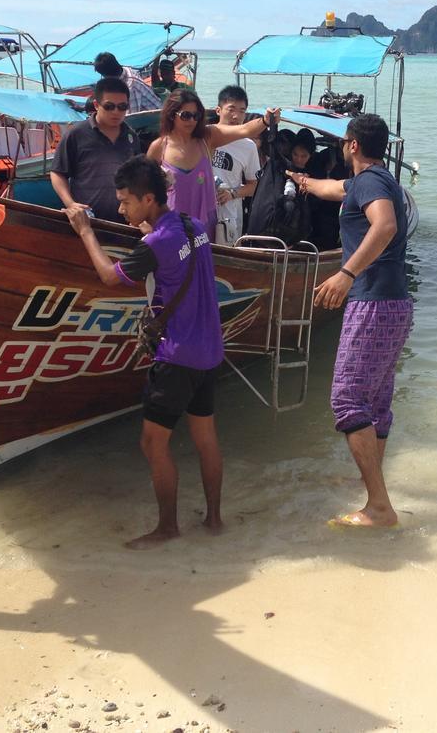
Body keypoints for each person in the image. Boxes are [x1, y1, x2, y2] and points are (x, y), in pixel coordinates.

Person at [65, 156, 225, 549]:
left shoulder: (155, 244)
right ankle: (215, 520)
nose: (120, 209)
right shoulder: (195, 226)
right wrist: (148, 230)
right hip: (209, 352)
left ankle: (168, 528)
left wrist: (86, 231)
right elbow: (174, 256)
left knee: (153, 443)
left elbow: (109, 276)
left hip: (176, 357)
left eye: (125, 201)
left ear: (149, 198)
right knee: (206, 439)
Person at [288, 114, 411, 528]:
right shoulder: (372, 180)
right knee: (375, 402)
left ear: (352, 145)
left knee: (346, 399)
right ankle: (374, 489)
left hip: (373, 300)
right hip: (393, 302)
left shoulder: (372, 184)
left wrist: (346, 273)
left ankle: (378, 506)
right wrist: (301, 180)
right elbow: (331, 189)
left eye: (345, 142)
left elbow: (386, 225)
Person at [148, 89, 279, 241]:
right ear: (171, 115)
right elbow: (143, 187)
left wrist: (265, 120)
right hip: (171, 223)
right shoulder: (159, 147)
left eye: (196, 116)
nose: (191, 121)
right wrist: (145, 222)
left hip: (204, 223)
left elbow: (245, 130)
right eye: (186, 115)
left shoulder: (208, 138)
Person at [50, 74, 137, 221]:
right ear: (96, 105)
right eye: (109, 106)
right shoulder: (76, 134)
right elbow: (58, 173)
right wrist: (70, 204)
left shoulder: (131, 136)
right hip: (87, 221)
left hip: (124, 223)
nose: (116, 112)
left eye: (122, 107)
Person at [210, 85, 261, 245]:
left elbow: (255, 186)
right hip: (200, 208)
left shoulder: (248, 146)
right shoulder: (205, 135)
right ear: (218, 110)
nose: (236, 116)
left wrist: (231, 194)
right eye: (231, 109)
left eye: (242, 111)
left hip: (228, 216)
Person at [94, 51, 161, 114]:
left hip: (156, 119)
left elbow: (130, 118)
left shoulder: (130, 86)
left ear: (109, 76)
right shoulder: (125, 70)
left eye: (104, 76)